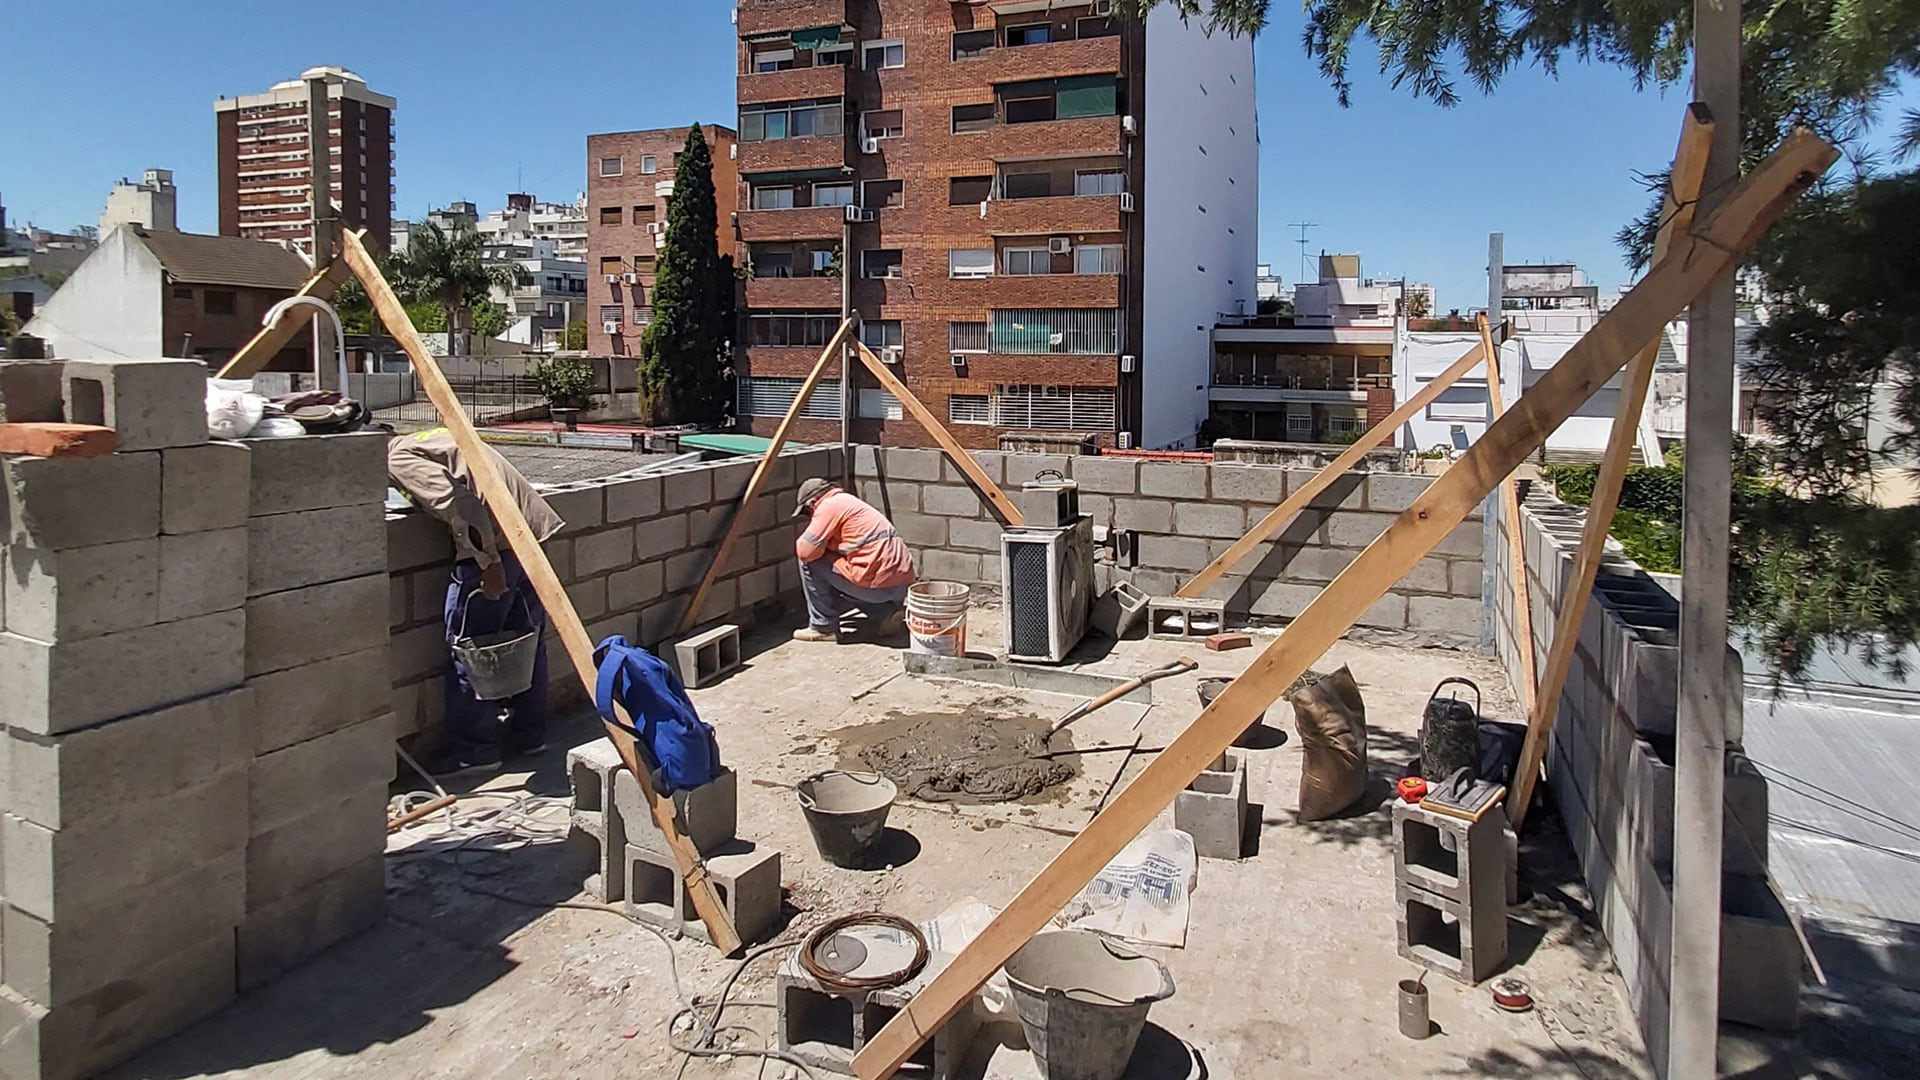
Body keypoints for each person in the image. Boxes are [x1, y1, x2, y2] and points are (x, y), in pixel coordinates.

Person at [388, 428, 566, 776]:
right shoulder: (431, 438)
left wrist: (488, 564)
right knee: (524, 644)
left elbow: (462, 506)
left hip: (493, 549)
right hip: (526, 537)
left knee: (471, 652)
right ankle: (530, 735)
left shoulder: (395, 457)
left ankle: (476, 752)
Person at [791, 477, 916, 642]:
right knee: (843, 570)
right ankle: (885, 613)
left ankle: (823, 626)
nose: (809, 517)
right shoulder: (850, 502)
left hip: (876, 586)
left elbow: (805, 550)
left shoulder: (828, 506)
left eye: (807, 513)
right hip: (900, 586)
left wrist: (824, 549)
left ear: (812, 503)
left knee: (811, 561)